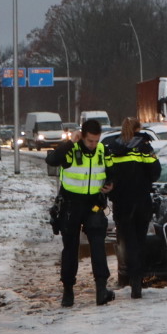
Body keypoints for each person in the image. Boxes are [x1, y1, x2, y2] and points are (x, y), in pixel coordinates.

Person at [45, 117, 114, 307]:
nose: (93, 145)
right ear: (82, 136)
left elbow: (111, 171)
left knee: (98, 245)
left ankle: (101, 289)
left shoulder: (102, 150)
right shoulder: (71, 149)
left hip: (94, 204)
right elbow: (51, 159)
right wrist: (70, 142)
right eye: (90, 140)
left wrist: (111, 184)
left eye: (96, 141)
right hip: (71, 204)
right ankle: (68, 291)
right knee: (70, 248)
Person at [104, 117, 161, 298]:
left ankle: (131, 277)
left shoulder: (112, 148)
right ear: (138, 128)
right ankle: (137, 281)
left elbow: (108, 174)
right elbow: (155, 172)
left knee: (128, 242)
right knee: (140, 241)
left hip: (121, 202)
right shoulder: (144, 147)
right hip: (141, 200)